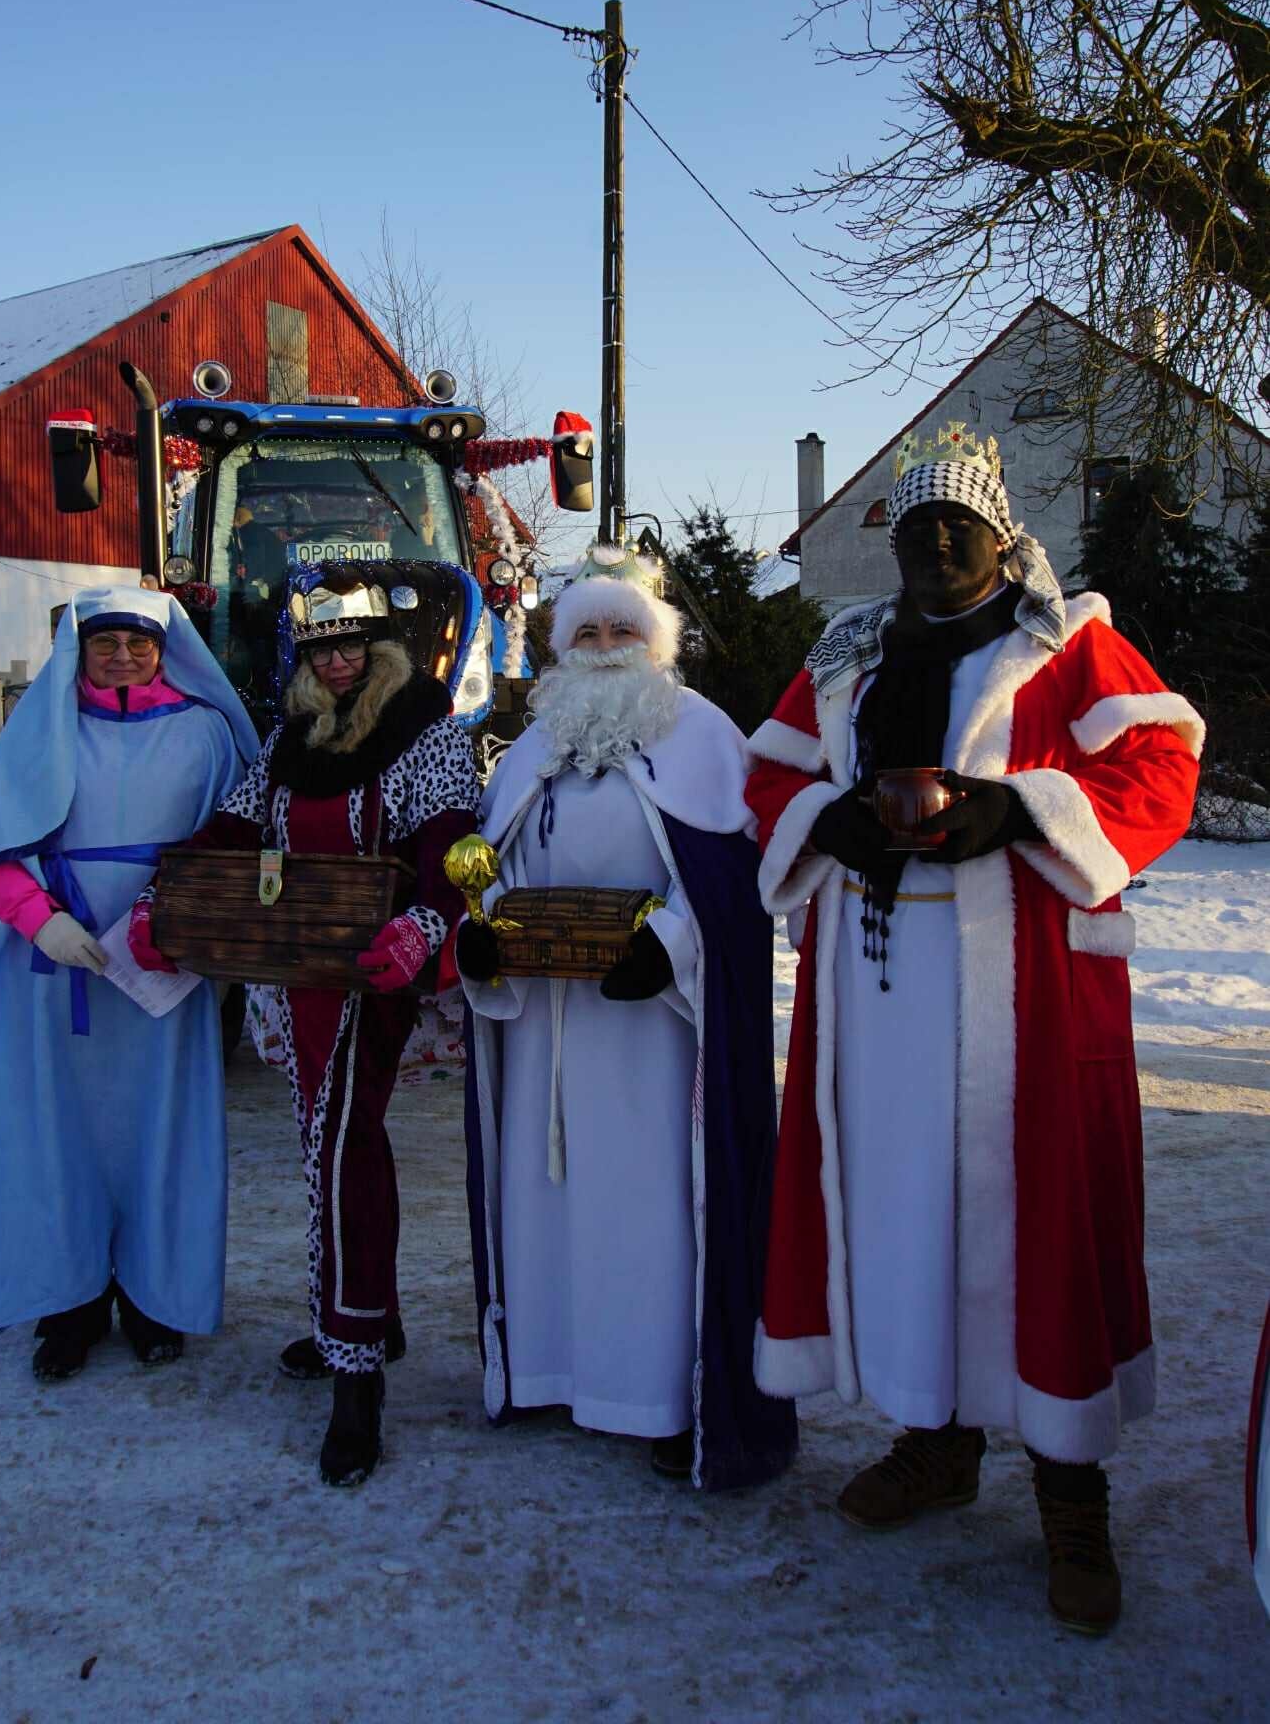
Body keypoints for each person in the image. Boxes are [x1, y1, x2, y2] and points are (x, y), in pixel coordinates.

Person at [744, 422, 1202, 1633]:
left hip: (1023, 987)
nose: (938, 540)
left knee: (1037, 1211)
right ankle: (935, 1439)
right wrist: (825, 824)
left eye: (961, 523)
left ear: (1005, 537)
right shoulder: (846, 654)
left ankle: (1070, 1488)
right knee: (902, 1206)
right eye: (915, 524)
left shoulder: (1066, 641)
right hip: (879, 990)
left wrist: (1024, 808)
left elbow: (1161, 765)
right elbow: (770, 776)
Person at [133, 561, 480, 1485]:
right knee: (327, 1143)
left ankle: (355, 1372)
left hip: (374, 970)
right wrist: (166, 898)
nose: (337, 664)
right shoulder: (292, 740)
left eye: (352, 647)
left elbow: (448, 845)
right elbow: (234, 832)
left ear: (383, 650)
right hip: (296, 973)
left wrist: (426, 921)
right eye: (322, 649)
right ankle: (367, 1317)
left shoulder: (428, 734)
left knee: (342, 1147)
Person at [457, 547, 796, 1490]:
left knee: (653, 1213)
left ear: (658, 645)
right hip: (545, 1031)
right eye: (587, 634)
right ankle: (553, 1375)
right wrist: (485, 934)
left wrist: (673, 946)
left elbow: (732, 879)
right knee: (546, 1198)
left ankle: (658, 1397)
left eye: (624, 632)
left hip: (656, 1035)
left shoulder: (702, 734)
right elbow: (501, 861)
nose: (606, 648)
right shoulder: (534, 744)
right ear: (562, 649)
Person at [0, 586, 258, 1379]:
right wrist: (41, 920)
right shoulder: (43, 728)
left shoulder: (207, 733)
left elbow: (242, 842)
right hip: (54, 968)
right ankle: (68, 1301)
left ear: (163, 649)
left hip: (162, 970)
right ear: (79, 646)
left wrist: (194, 931)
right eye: (105, 641)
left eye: (136, 643)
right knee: (58, 1135)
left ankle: (154, 1297)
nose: (120, 655)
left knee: (156, 1131)